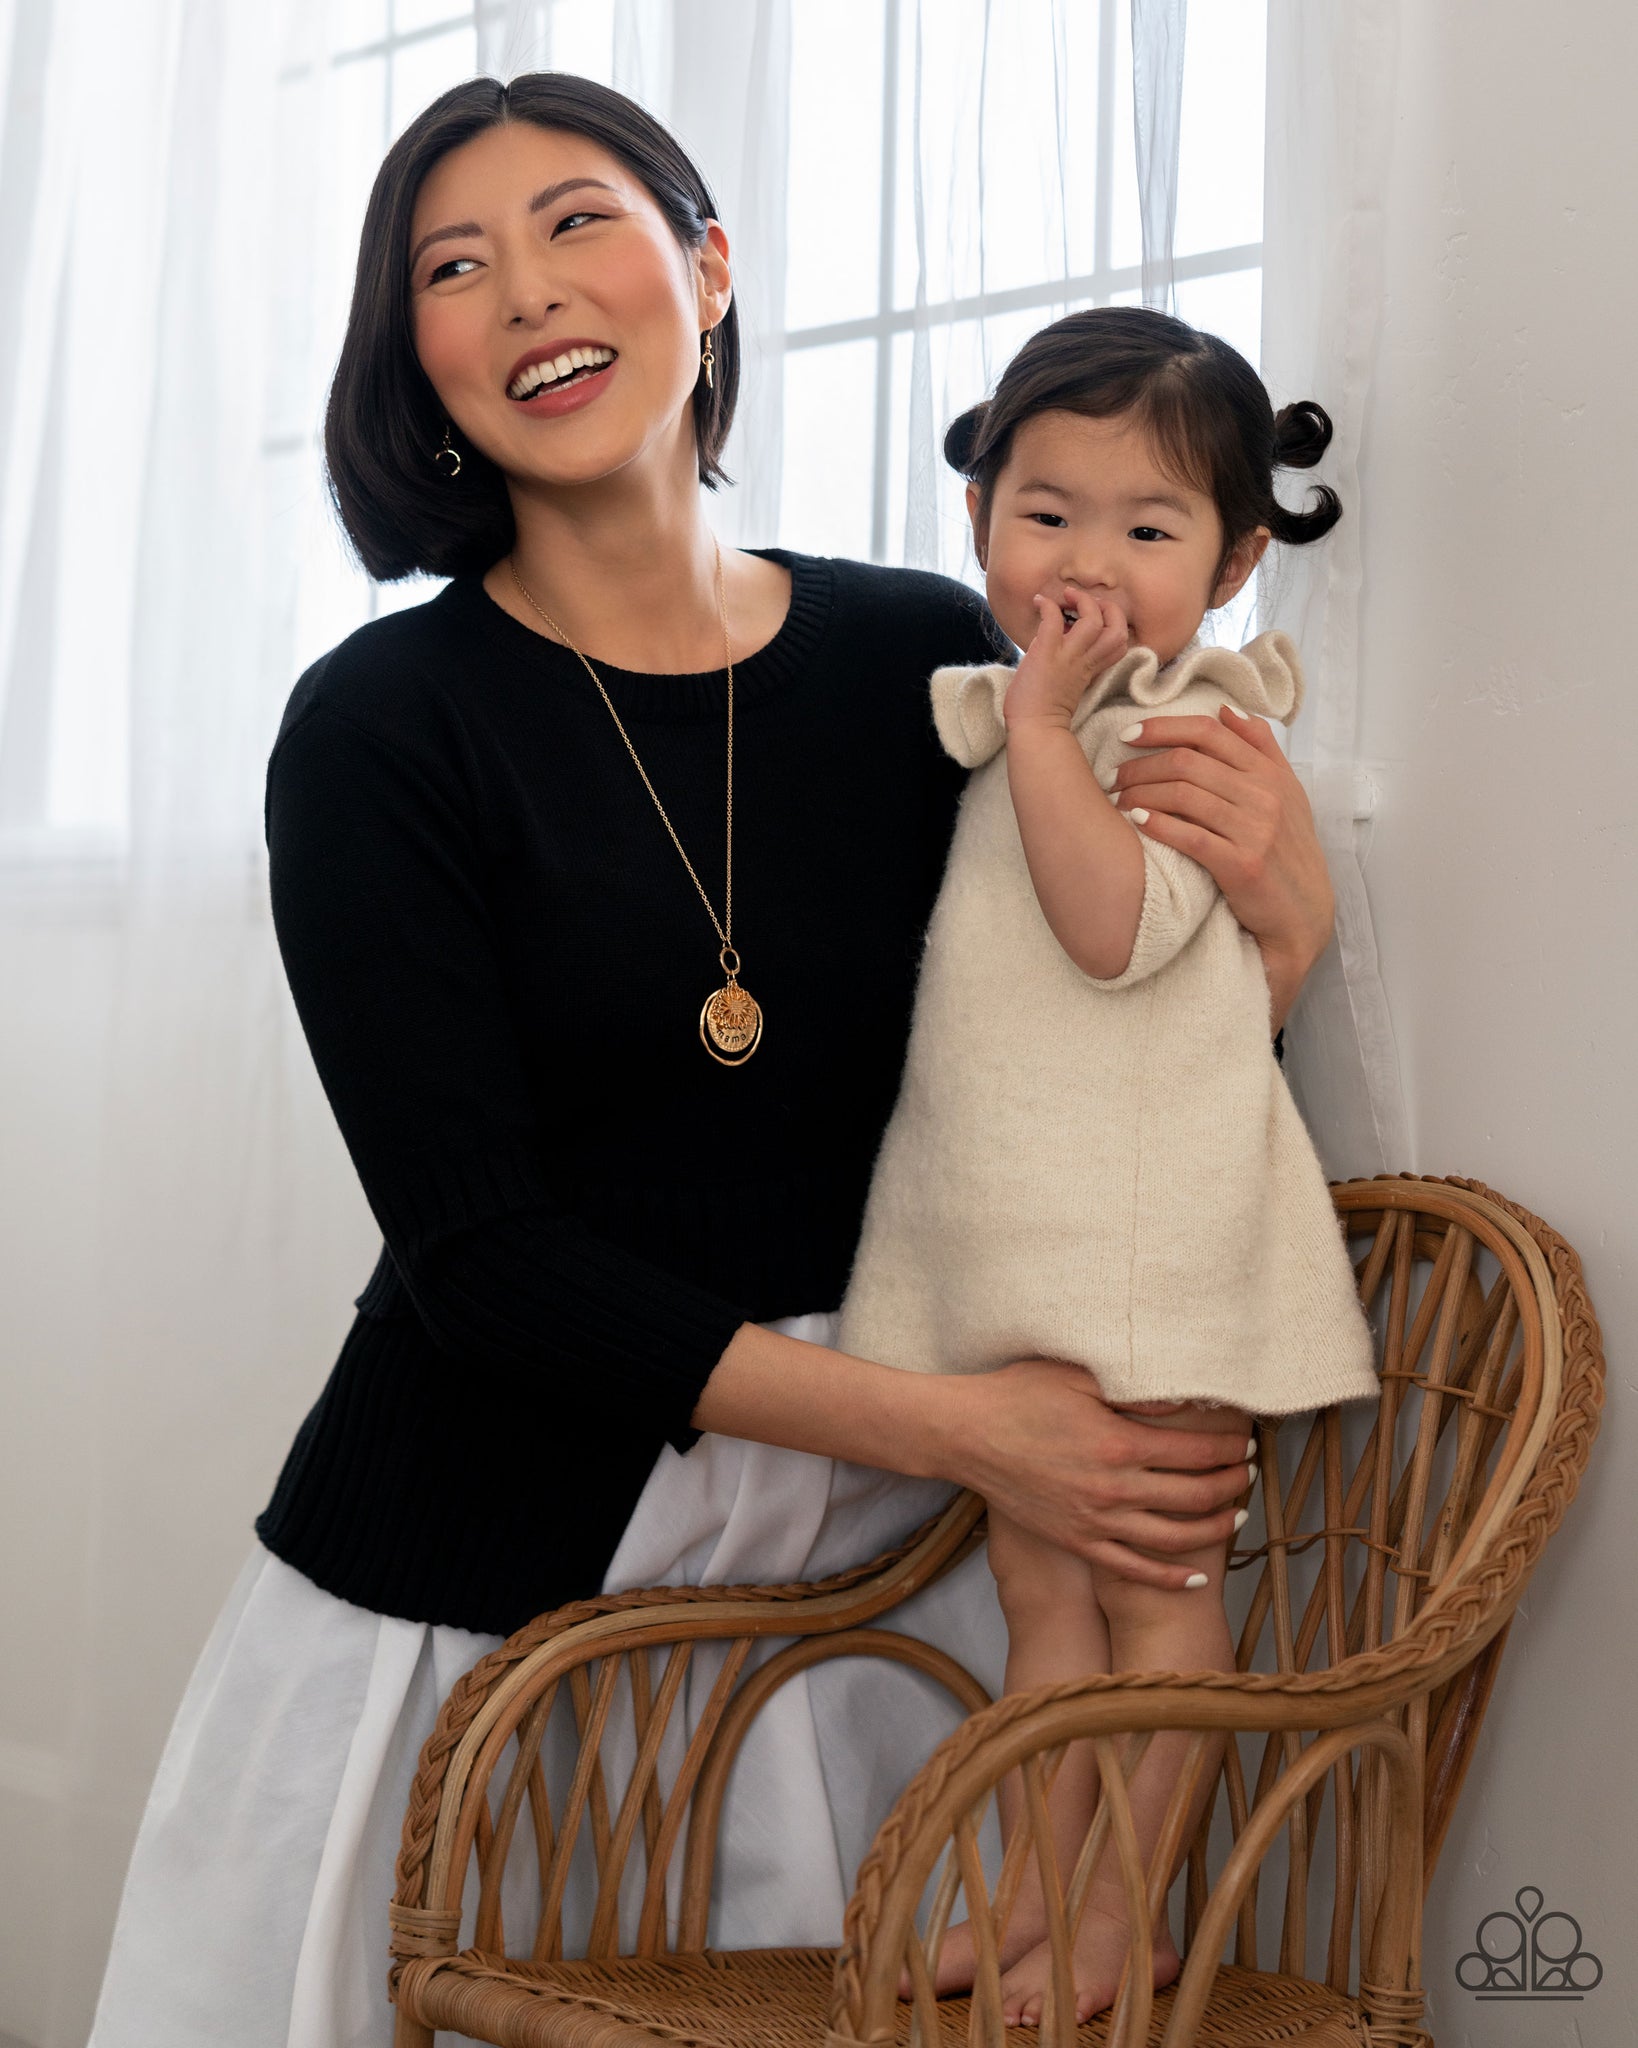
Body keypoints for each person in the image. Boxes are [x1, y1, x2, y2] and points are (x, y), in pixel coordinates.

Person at [87, 77, 1335, 2047]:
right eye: (452, 266)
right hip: (494, 1602)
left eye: (577, 222)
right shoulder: (380, 727)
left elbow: (1094, 1051)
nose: (526, 291)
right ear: (417, 358)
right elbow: (480, 1260)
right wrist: (966, 1432)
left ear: (710, 271)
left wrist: (1288, 931)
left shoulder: (933, 663)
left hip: (888, 1601)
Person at [837, 307, 1378, 2026]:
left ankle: (1125, 1915)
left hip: (1156, 1234)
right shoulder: (1047, 713)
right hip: (1041, 1234)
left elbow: (1112, 932)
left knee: (1155, 1594)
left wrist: (1045, 732)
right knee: (1038, 1590)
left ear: (1230, 563)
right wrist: (1039, 724)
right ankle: (1028, 1901)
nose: (1084, 562)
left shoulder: (1180, 723)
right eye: (1044, 513)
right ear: (978, 521)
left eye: (1145, 528)